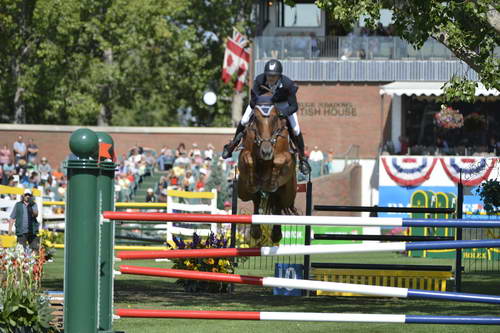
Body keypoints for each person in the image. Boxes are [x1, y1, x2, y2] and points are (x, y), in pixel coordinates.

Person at [222, 59, 311, 175]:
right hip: (262, 104)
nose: (270, 78)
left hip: (283, 105)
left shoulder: (288, 84)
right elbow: (253, 100)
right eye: (268, 75)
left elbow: (294, 106)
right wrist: (258, 109)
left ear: (279, 76)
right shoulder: (259, 80)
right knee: (244, 120)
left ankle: (302, 158)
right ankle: (232, 145)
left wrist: (283, 113)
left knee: (295, 129)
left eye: (273, 76)